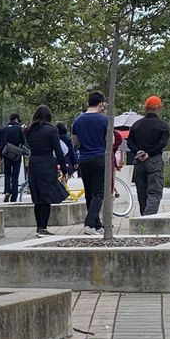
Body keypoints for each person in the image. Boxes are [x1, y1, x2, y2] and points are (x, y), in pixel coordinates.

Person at [25, 105, 69, 235]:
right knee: (47, 196)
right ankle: (43, 227)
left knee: (37, 196)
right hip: (47, 164)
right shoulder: (51, 130)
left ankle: (39, 227)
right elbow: (58, 151)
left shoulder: (29, 130)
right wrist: (65, 170)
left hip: (33, 163)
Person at [72, 92, 110, 234]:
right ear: (101, 104)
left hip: (84, 158)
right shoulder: (104, 120)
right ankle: (89, 224)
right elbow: (109, 139)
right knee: (99, 193)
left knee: (89, 192)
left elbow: (75, 142)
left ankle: (97, 225)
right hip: (99, 157)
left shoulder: (78, 120)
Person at [127, 96, 170, 215]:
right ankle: (149, 218)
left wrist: (139, 152)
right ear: (159, 108)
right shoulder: (163, 126)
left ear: (146, 108)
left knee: (142, 193)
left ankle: (143, 218)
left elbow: (130, 142)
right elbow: (162, 144)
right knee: (155, 192)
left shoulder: (136, 125)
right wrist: (149, 153)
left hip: (139, 162)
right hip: (154, 161)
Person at [0, 114, 25, 202]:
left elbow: (0, 143)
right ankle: (14, 195)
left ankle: (7, 191)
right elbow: (23, 141)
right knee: (15, 176)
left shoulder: (3, 129)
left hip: (6, 154)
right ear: (16, 119)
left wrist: (0, 156)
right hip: (16, 154)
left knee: (7, 174)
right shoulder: (19, 128)